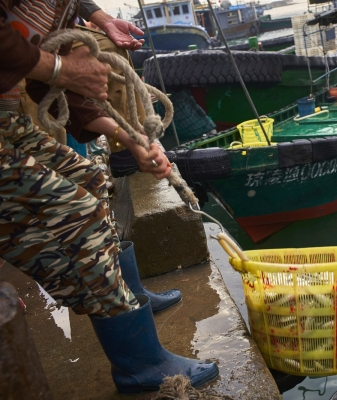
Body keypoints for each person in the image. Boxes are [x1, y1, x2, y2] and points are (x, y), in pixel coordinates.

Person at [0, 0, 218, 393]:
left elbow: (56, 82)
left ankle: (124, 293)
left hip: (8, 120)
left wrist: (133, 143)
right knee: (79, 215)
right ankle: (140, 363)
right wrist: (61, 68)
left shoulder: (60, 9)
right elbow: (55, 70)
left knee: (91, 178)